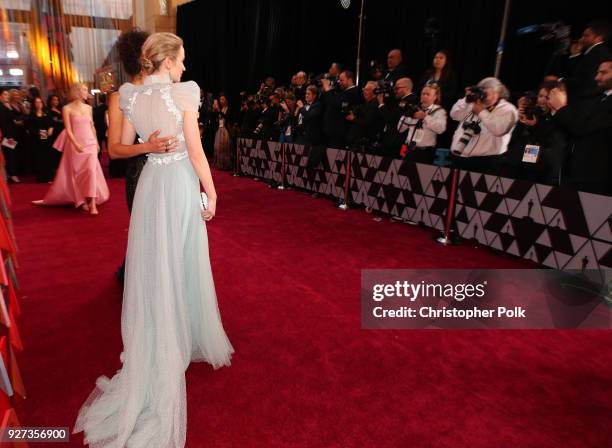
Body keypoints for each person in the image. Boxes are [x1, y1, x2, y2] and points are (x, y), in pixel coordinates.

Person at [73, 32, 233, 448]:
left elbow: (118, 149)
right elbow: (197, 152)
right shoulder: (183, 94)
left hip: (150, 186)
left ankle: (169, 332)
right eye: (181, 59)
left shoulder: (130, 95)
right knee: (181, 261)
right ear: (166, 62)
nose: (184, 66)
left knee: (155, 263)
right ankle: (175, 338)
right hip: (177, 183)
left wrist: (147, 145)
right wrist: (212, 192)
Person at [32, 83, 110, 215]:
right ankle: (83, 200)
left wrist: (96, 142)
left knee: (91, 171)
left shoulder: (88, 108)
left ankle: (92, 204)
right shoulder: (67, 108)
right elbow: (68, 130)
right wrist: (75, 144)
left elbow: (92, 127)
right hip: (76, 145)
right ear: (77, 92)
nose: (87, 92)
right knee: (78, 174)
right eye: (84, 90)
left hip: (90, 143)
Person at [549, 60, 612, 194]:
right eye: (597, 73)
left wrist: (561, 108)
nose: (597, 77)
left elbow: (585, 128)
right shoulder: (599, 99)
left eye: (603, 72)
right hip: (580, 174)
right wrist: (557, 110)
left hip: (598, 178)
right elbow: (575, 126)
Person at [450, 77, 518, 174]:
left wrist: (481, 111)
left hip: (485, 164)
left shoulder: (508, 109)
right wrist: (466, 99)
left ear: (497, 93)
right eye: (481, 90)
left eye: (486, 92)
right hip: (458, 159)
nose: (482, 94)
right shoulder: (473, 102)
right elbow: (454, 115)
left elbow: (499, 130)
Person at [397, 84, 447, 164]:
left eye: (428, 94)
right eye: (423, 94)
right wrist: (406, 114)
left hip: (424, 152)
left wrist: (425, 117)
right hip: (407, 149)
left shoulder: (439, 111)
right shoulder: (414, 108)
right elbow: (400, 129)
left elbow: (440, 129)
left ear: (435, 97)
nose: (424, 96)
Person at [28, 97, 54, 182]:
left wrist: (51, 128)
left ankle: (49, 177)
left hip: (47, 138)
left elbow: (51, 123)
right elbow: (30, 128)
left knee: (48, 157)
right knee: (39, 158)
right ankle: (41, 177)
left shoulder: (46, 113)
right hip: (37, 140)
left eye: (40, 102)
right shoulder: (31, 115)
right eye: (36, 102)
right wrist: (38, 132)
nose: (39, 104)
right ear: (34, 104)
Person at [0, 88, 22, 183]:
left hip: (11, 134)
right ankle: (12, 175)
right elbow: (3, 123)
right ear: (0, 96)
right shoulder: (1, 107)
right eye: (5, 94)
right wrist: (9, 136)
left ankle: (11, 174)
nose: (7, 96)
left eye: (7, 94)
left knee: (11, 154)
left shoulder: (6, 105)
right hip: (7, 135)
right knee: (10, 155)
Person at [212, 94, 233, 170]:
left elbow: (227, 117)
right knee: (218, 148)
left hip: (225, 130)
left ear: (226, 100)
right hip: (219, 129)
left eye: (222, 99)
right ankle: (220, 164)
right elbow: (218, 118)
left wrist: (219, 111)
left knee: (225, 147)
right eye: (220, 99)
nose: (221, 101)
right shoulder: (221, 108)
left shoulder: (228, 108)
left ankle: (226, 164)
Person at [47, 94, 64, 176]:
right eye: (54, 100)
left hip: (62, 133)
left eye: (57, 100)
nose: (55, 101)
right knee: (55, 152)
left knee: (62, 152)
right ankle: (55, 170)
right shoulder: (48, 111)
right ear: (50, 101)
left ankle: (62, 169)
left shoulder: (61, 109)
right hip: (54, 134)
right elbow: (50, 123)